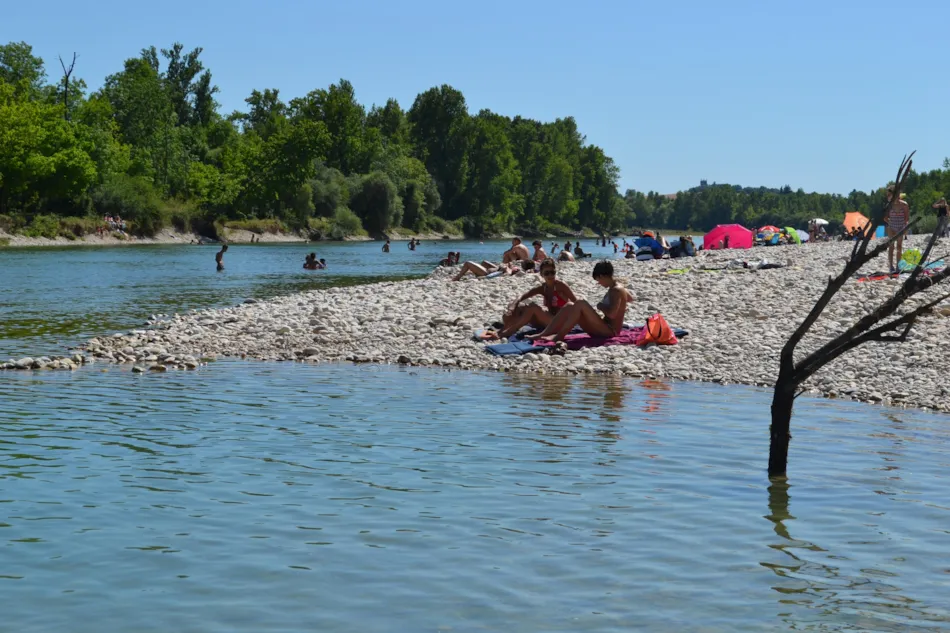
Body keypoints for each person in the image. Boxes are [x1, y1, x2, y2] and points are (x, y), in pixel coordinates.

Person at [526, 261, 634, 342]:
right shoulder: (618, 287)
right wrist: (622, 305)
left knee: (581, 303)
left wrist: (600, 306)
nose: (599, 283)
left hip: (610, 331)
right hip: (604, 327)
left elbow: (612, 314)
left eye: (598, 280)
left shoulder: (616, 290)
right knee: (569, 305)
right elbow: (630, 298)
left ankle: (559, 336)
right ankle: (543, 334)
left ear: (601, 276)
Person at [482, 258, 578, 340]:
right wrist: (511, 308)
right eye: (547, 273)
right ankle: (504, 329)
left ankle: (506, 333)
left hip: (560, 322)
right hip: (549, 319)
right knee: (521, 306)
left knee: (533, 307)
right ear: (541, 274)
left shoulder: (561, 286)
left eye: (552, 272)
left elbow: (576, 303)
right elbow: (521, 297)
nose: (550, 276)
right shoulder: (543, 288)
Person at [885, 184, 910, 272]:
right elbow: (885, 218)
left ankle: (898, 266)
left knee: (899, 246)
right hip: (891, 227)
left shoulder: (904, 205)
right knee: (891, 246)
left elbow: (906, 218)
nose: (888, 197)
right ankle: (891, 266)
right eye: (888, 195)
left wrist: (904, 228)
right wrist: (891, 223)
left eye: (890, 195)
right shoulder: (889, 205)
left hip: (901, 227)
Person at [453, 259, 534, 281]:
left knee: (468, 263)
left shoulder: (519, 271)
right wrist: (509, 266)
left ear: (524, 265)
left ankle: (457, 277)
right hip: (496, 268)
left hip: (486, 273)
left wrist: (506, 268)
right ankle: (473, 271)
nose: (522, 262)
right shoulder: (519, 269)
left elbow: (507, 274)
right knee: (484, 262)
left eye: (523, 262)